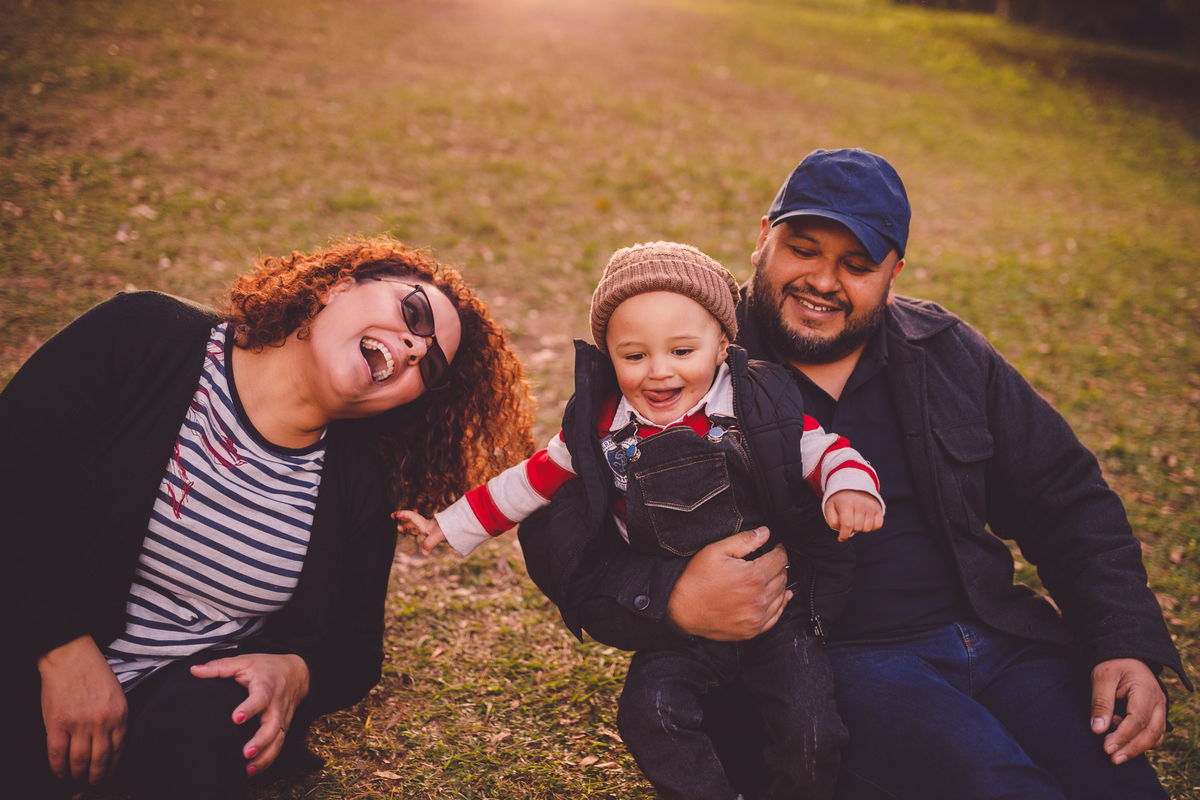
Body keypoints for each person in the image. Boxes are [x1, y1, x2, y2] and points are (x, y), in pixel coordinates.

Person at [517, 150, 1191, 800]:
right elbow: (559, 536)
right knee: (1002, 787)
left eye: (858, 264)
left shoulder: (945, 350)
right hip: (837, 662)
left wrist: (1120, 640)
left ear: (896, 269)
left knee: (1120, 785)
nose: (822, 280)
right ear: (763, 240)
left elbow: (1064, 496)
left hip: (998, 636)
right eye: (803, 248)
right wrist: (671, 597)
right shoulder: (680, 351)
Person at [1, 235, 536, 800]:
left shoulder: (358, 482)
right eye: (413, 312)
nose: (411, 348)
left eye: (428, 366)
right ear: (339, 286)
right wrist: (61, 650)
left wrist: (296, 673)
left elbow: (354, 653)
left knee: (209, 730)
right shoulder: (142, 335)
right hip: (26, 651)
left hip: (181, 717)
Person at [400, 242, 885, 799]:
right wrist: (451, 525)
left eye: (682, 351)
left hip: (779, 613)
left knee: (811, 727)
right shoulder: (601, 426)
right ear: (608, 356)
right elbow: (528, 482)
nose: (658, 372)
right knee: (649, 712)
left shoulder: (756, 404)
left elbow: (824, 449)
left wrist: (849, 488)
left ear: (723, 346)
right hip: (679, 619)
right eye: (634, 356)